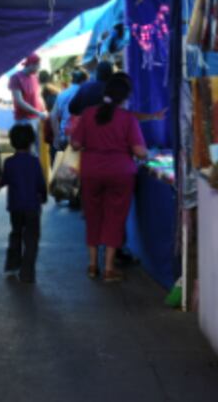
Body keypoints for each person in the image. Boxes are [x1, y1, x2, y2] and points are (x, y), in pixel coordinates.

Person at [70, 74, 148, 283]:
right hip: (120, 174)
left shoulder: (88, 114)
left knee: (93, 215)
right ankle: (109, 268)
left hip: (91, 171)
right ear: (124, 98)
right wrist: (144, 153)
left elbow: (75, 145)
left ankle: (93, 265)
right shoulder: (127, 118)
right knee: (115, 217)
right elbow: (140, 152)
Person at [0, 124, 47, 284]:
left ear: (12, 142)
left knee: (16, 233)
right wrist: (43, 196)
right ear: (31, 142)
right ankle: (27, 272)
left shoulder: (9, 162)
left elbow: (4, 180)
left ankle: (12, 265)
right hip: (32, 207)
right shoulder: (34, 162)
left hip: (15, 207)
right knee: (31, 239)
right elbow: (40, 184)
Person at [50, 68, 88, 151]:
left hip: (66, 137)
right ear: (84, 81)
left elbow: (53, 116)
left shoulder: (62, 94)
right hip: (84, 138)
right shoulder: (87, 92)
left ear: (72, 80)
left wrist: (57, 136)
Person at [9, 53, 46, 127]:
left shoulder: (35, 77)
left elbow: (38, 96)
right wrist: (37, 112)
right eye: (38, 65)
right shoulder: (16, 77)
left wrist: (44, 109)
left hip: (36, 118)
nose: (39, 67)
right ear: (31, 64)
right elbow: (19, 101)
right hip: (23, 119)